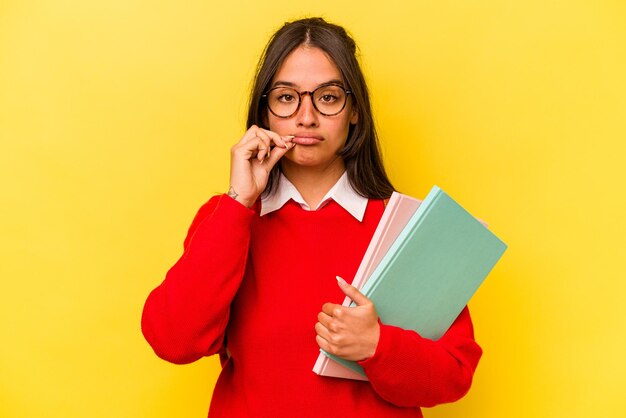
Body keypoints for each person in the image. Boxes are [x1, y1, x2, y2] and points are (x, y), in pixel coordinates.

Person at [141, 17, 482, 418]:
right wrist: (238, 202)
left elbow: (454, 375)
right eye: (287, 97)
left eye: (328, 97)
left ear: (354, 110)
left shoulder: (406, 226)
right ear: (264, 111)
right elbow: (173, 341)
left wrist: (376, 346)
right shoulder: (227, 217)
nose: (306, 117)